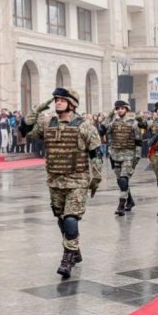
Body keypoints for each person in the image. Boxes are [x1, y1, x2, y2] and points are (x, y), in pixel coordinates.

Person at [20, 88, 101, 279]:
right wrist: (35, 111)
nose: (57, 102)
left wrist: (95, 178)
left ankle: (67, 258)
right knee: (61, 218)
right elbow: (24, 131)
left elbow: (95, 153)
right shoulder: (48, 123)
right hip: (55, 180)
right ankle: (75, 250)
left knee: (71, 218)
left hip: (77, 179)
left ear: (72, 104)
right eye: (56, 99)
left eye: (62, 100)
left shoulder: (84, 125)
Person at [102, 101, 140, 216]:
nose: (120, 110)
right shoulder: (113, 122)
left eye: (122, 108)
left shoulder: (134, 123)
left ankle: (121, 204)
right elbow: (103, 129)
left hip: (129, 155)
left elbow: (138, 141)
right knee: (120, 181)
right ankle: (130, 201)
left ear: (127, 109)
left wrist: (137, 157)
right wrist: (109, 115)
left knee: (124, 179)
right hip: (115, 155)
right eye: (118, 108)